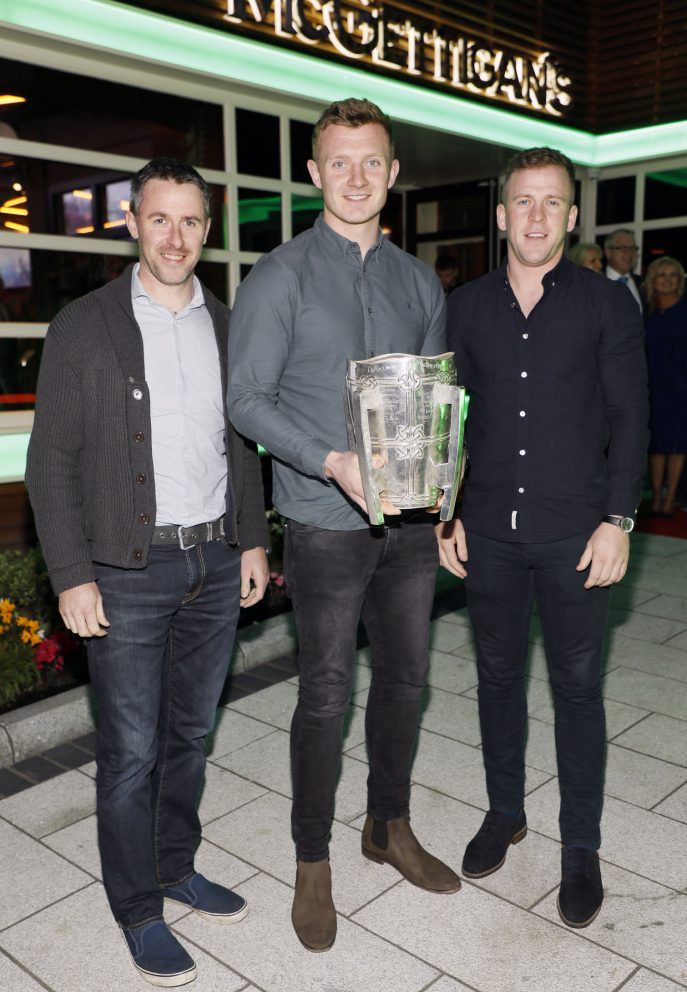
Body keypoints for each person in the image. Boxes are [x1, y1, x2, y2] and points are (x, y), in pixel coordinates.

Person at [26, 158, 269, 988]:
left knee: (192, 736)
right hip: (123, 571)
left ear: (209, 229)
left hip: (213, 558)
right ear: (132, 222)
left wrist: (252, 541)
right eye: (159, 219)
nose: (175, 237)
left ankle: (173, 864)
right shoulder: (83, 325)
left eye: (191, 222)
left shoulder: (229, 324)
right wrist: (70, 574)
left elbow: (242, 448)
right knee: (132, 750)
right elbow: (49, 462)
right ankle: (137, 907)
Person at [227, 97, 461, 954]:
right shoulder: (279, 276)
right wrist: (330, 459)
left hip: (405, 523)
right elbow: (244, 398)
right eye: (338, 161)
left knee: (405, 680)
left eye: (371, 162)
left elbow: (435, 403)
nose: (355, 177)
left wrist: (444, 503)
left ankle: (386, 825)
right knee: (325, 692)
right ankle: (311, 858)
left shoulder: (416, 281)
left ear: (392, 173)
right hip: (324, 519)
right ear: (313, 171)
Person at [439, 147, 648, 929]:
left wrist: (618, 520)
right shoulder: (462, 309)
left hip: (574, 534)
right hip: (486, 530)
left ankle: (580, 849)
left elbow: (631, 416)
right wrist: (444, 513)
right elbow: (449, 419)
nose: (534, 216)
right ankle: (504, 812)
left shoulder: (605, 305)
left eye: (549, 203)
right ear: (501, 215)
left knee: (577, 691)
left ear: (569, 217)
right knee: (495, 682)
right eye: (521, 202)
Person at [642, 256, 687, 516]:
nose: (668, 279)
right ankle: (656, 495)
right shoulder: (646, 311)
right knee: (656, 443)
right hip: (653, 386)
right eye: (662, 274)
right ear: (653, 280)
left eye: (673, 274)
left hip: (681, 388)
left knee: (678, 443)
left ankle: (670, 498)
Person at [604, 228, 645, 312]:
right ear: (608, 252)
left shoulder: (644, 284)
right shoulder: (595, 281)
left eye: (632, 248)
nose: (629, 253)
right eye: (623, 248)